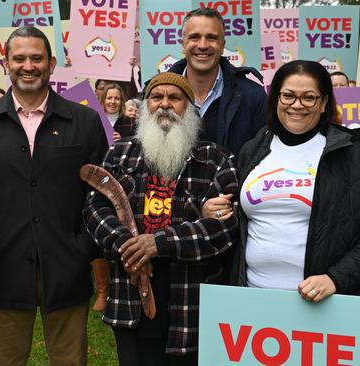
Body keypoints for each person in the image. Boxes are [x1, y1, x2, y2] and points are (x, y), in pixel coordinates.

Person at [0, 26, 108, 366]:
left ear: (52, 63)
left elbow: (100, 196)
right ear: (5, 63)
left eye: (37, 58)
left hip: (67, 269)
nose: (28, 66)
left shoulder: (84, 121)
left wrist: (84, 247)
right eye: (19, 58)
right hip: (2, 270)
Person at [84, 72, 238, 365]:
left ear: (189, 109)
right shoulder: (120, 154)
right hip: (130, 299)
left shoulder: (216, 160)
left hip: (190, 303)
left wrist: (159, 244)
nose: (164, 105)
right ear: (145, 106)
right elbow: (94, 211)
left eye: (175, 98)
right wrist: (129, 245)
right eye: (156, 97)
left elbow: (224, 227)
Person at [230, 60, 360, 302]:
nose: (297, 105)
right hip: (254, 300)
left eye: (308, 97)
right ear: (275, 100)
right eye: (288, 96)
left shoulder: (352, 155)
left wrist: (335, 278)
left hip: (324, 305)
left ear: (324, 103)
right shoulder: (252, 150)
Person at [167, 7, 266, 155]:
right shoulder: (157, 95)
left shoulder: (253, 96)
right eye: (194, 37)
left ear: (222, 46)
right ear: (183, 44)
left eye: (211, 38)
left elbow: (261, 156)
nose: (202, 45)